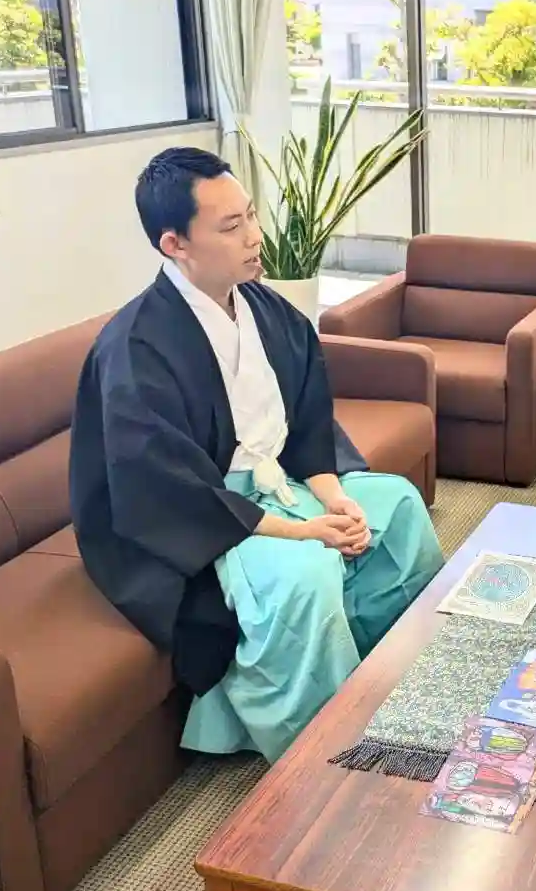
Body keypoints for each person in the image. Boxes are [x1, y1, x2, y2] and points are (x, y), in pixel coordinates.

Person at [70, 147, 444, 765]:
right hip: (210, 515)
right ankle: (320, 759)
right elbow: (164, 490)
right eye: (230, 226)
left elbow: (308, 423)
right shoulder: (136, 348)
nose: (254, 236)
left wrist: (334, 498)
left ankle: (393, 685)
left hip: (283, 485)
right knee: (303, 576)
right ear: (174, 244)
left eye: (250, 215)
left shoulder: (266, 308)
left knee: (397, 507)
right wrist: (302, 532)